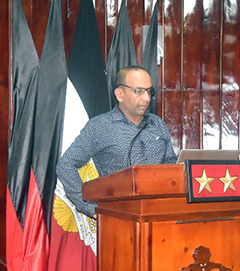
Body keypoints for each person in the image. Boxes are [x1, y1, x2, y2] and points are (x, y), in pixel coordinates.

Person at [56, 66, 178, 218]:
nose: (146, 98)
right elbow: (66, 165)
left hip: (159, 214)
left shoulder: (157, 124)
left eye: (149, 91)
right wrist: (89, 207)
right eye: (139, 91)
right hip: (118, 217)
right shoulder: (100, 126)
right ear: (120, 94)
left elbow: (170, 165)